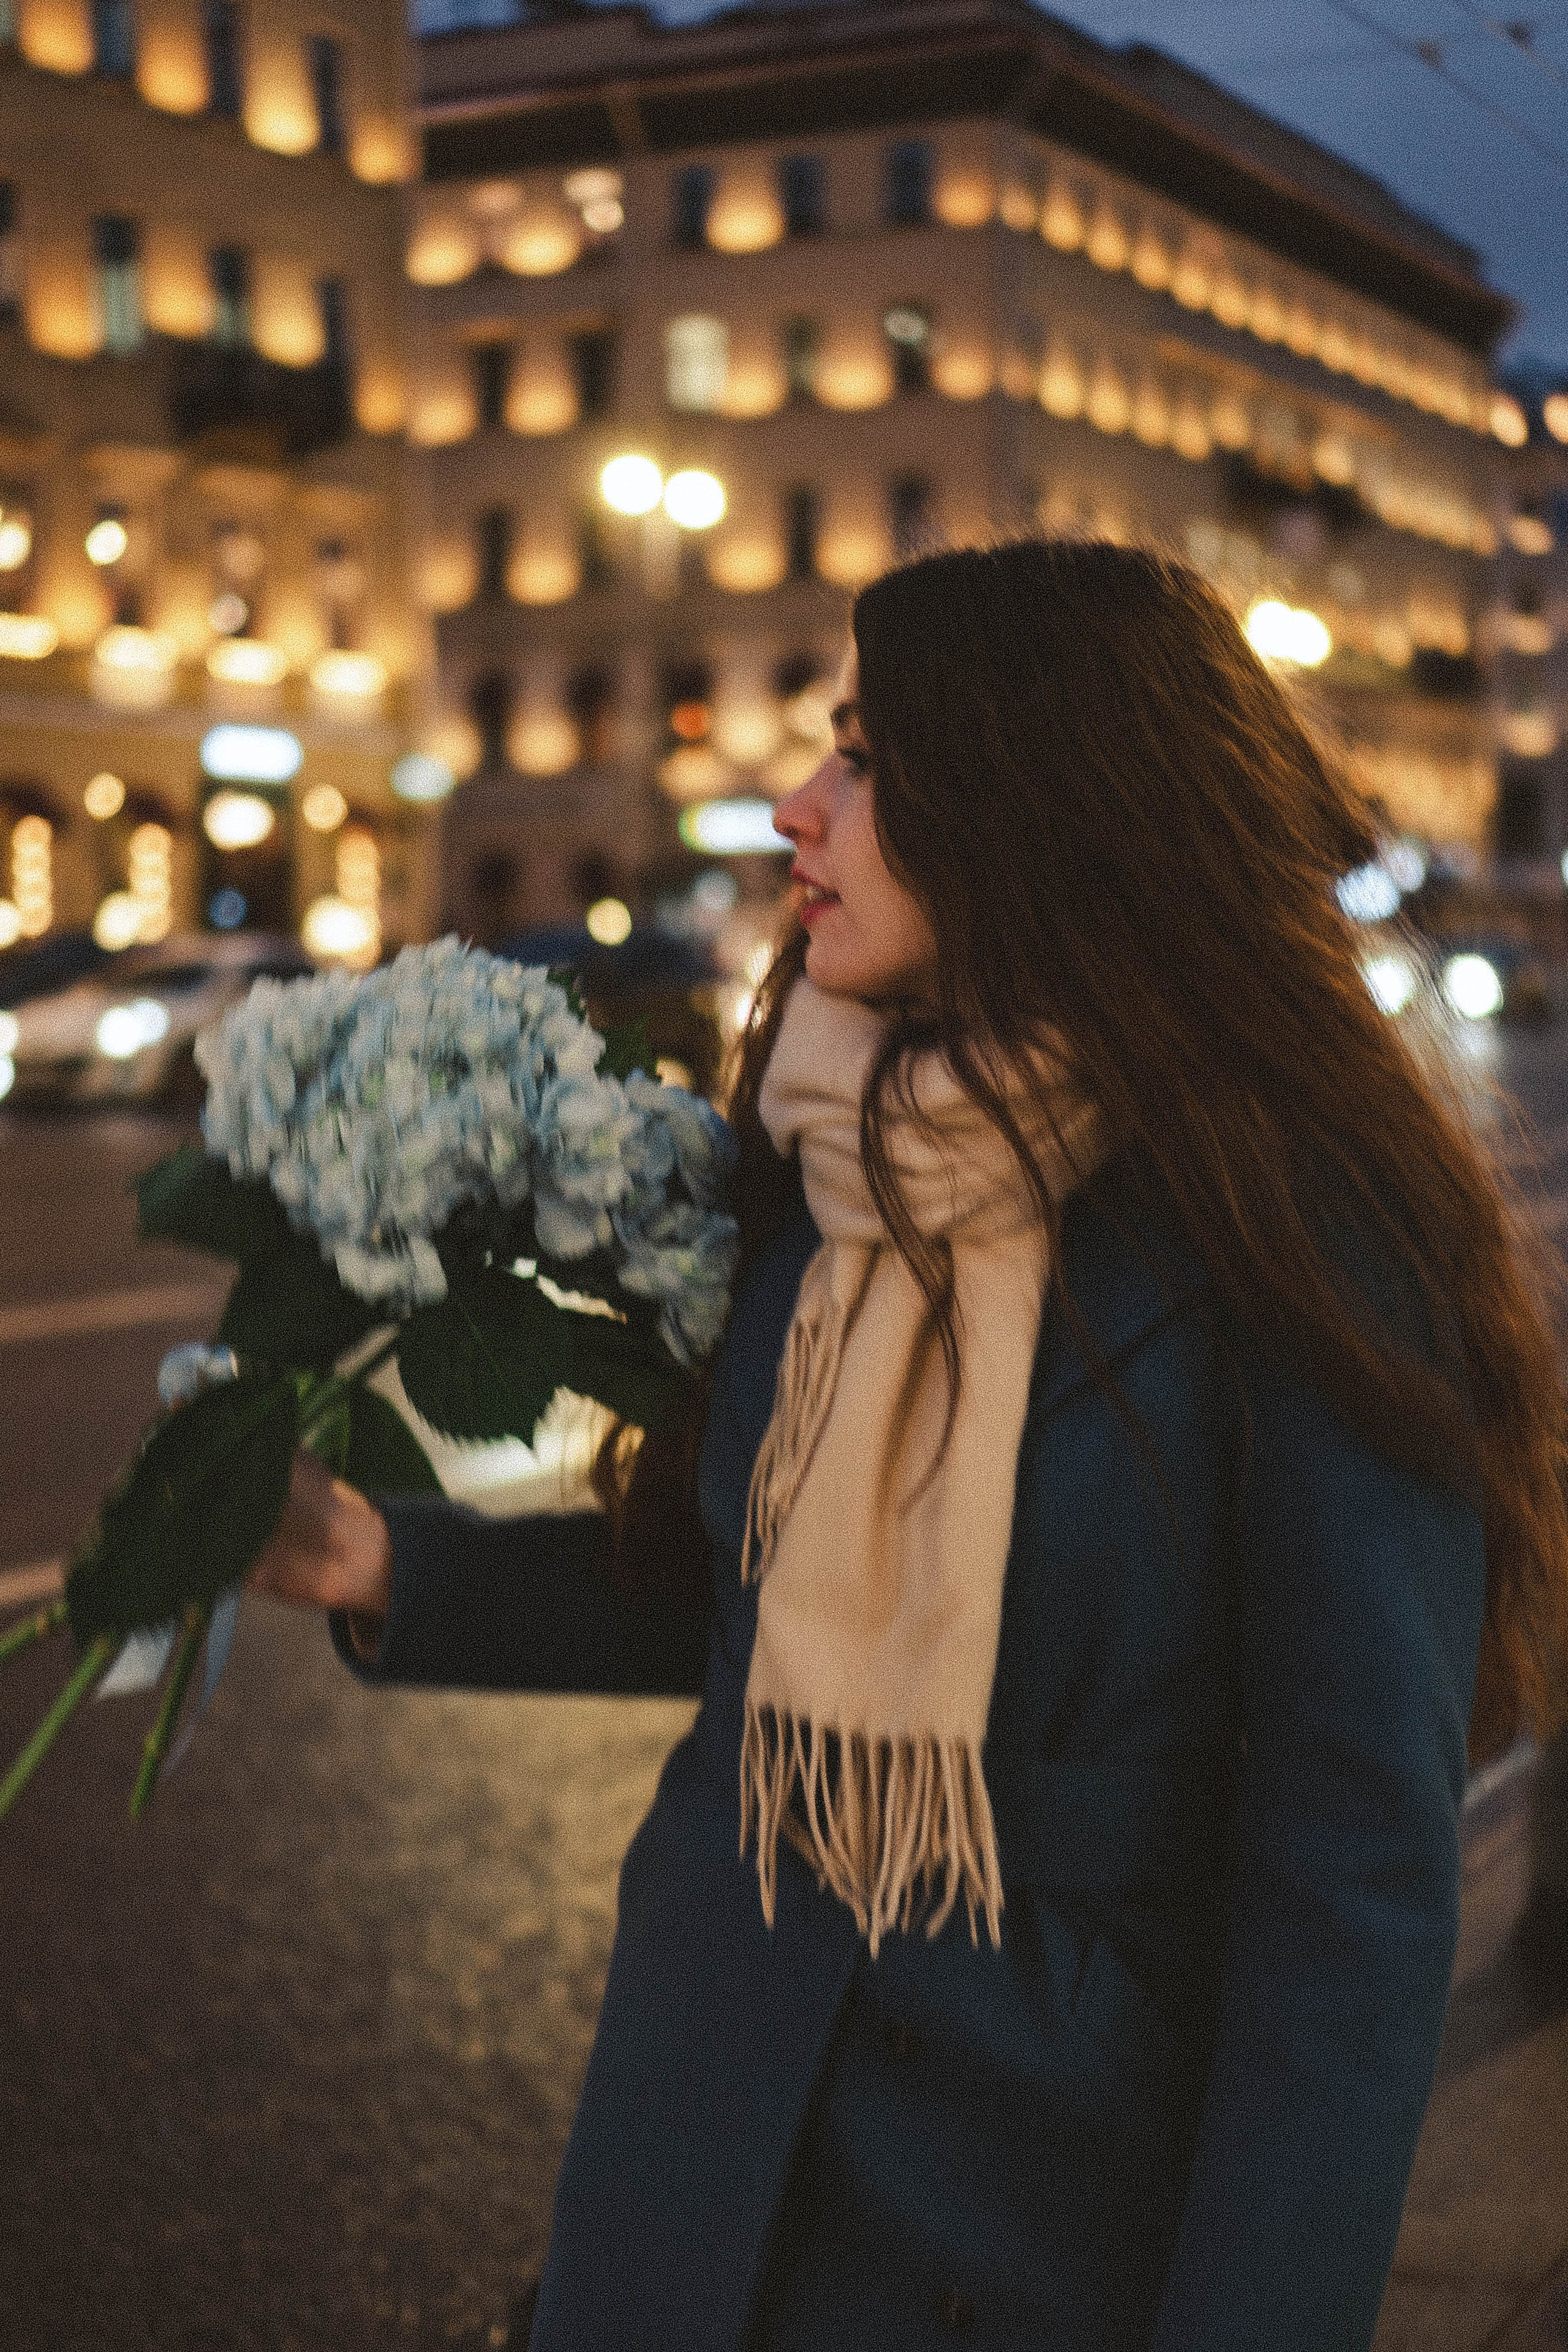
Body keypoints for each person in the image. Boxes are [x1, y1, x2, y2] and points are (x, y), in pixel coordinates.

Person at [251, 540, 1568, 2352]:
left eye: (866, 759)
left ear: (1049, 797)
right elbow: (762, 1603)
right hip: (699, 2136)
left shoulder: (1305, 1222)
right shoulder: (824, 1149)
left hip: (1037, 2195)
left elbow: (1351, 1875)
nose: (797, 808)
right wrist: (388, 1563)